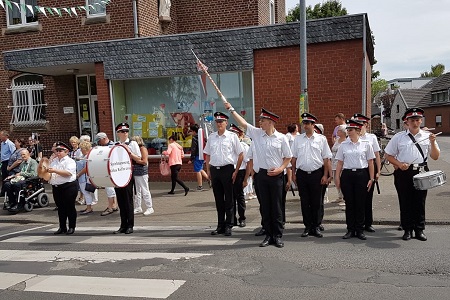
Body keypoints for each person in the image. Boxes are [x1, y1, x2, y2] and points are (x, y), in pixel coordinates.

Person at [225, 103, 291, 248]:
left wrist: (281, 169)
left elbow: (288, 157)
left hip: (276, 176)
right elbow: (243, 123)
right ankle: (268, 235)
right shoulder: (256, 134)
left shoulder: (281, 138)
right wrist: (231, 109)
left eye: (262, 120)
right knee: (265, 207)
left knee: (277, 207)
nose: (259, 122)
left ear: (270, 122)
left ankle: (277, 236)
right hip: (262, 175)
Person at [384, 107, 440, 241]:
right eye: (412, 120)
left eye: (417, 120)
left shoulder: (428, 136)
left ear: (421, 121)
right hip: (404, 172)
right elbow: (388, 155)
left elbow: (435, 156)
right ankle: (407, 229)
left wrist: (432, 142)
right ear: (406, 121)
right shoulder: (399, 137)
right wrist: (398, 164)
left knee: (420, 201)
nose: (415, 122)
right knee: (405, 201)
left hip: (421, 171)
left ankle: (419, 229)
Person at [291, 113, 332, 238]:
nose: (305, 126)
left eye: (308, 123)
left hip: (317, 174)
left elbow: (326, 159)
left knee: (317, 202)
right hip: (302, 174)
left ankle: (316, 226)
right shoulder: (298, 139)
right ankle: (307, 226)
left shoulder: (321, 139)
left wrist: (326, 175)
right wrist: (293, 174)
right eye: (304, 123)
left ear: (314, 125)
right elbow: (293, 158)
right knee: (305, 201)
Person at [203, 112, 244, 237]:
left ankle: (229, 225)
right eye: (217, 122)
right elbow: (208, 154)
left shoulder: (232, 136)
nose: (219, 124)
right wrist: (208, 170)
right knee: (218, 199)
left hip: (228, 169)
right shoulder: (212, 137)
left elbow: (241, 154)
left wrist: (236, 171)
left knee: (229, 199)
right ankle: (220, 225)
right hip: (215, 170)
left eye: (221, 122)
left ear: (226, 123)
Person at [335, 119, 375, 240]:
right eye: (348, 129)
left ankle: (360, 229)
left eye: (351, 130)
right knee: (350, 203)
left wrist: (371, 178)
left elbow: (370, 162)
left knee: (360, 203)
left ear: (358, 131)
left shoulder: (366, 144)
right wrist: (337, 177)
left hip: (361, 174)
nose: (348, 132)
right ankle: (350, 229)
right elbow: (340, 163)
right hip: (347, 175)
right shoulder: (343, 145)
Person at [352, 113, 381, 233]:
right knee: (355, 199)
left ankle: (368, 223)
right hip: (356, 169)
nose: (360, 126)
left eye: (361, 124)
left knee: (368, 198)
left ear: (366, 125)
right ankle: (356, 223)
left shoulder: (371, 137)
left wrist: (378, 171)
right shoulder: (352, 136)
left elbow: (377, 155)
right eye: (357, 123)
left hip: (369, 168)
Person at [113, 123, 141, 234]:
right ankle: (123, 225)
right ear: (118, 133)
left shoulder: (132, 143)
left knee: (128, 201)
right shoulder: (115, 145)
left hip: (128, 174)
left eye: (126, 131)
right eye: (122, 131)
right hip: (117, 175)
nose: (125, 133)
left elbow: (139, 158)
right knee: (120, 201)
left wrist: (128, 151)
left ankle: (130, 225)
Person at [46, 141, 78, 235]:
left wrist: (55, 170)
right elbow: (49, 172)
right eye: (57, 150)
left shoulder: (70, 161)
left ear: (66, 151)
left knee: (70, 207)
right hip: (57, 187)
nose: (58, 152)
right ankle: (62, 227)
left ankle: (71, 227)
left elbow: (68, 173)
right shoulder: (54, 161)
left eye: (61, 150)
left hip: (68, 186)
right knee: (60, 208)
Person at [94, 132, 119, 216]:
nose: (99, 143)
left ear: (104, 138)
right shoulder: (101, 147)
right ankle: (114, 205)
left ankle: (110, 207)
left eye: (99, 140)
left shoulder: (114, 146)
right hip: (105, 169)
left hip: (112, 170)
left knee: (109, 189)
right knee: (110, 188)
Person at [229, 123, 249, 228]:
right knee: (230, 197)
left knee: (239, 196)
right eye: (231, 133)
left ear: (238, 135)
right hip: (228, 171)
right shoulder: (227, 145)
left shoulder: (243, 146)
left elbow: (248, 163)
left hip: (240, 172)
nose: (232, 135)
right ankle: (232, 219)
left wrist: (246, 179)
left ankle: (242, 218)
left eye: (234, 133)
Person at [131, 135, 154, 216]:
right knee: (137, 190)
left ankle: (149, 207)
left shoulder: (142, 149)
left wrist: (135, 160)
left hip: (142, 171)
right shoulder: (135, 150)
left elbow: (144, 161)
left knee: (145, 189)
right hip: (135, 171)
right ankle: (138, 207)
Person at [187, 124, 210, 191]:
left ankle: (200, 186)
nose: (190, 133)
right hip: (202, 155)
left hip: (197, 156)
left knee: (198, 171)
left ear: (194, 131)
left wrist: (191, 159)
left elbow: (193, 149)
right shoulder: (202, 138)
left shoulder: (194, 138)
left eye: (191, 131)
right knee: (200, 169)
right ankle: (209, 179)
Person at [76, 141, 95, 215]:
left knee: (86, 193)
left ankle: (89, 208)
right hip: (83, 177)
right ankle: (88, 207)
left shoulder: (87, 157)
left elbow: (86, 168)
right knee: (86, 193)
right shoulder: (85, 156)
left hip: (84, 178)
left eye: (82, 149)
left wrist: (78, 174)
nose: (80, 150)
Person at [331, 124, 347, 204]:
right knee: (335, 180)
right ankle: (340, 195)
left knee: (341, 180)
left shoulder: (346, 142)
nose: (338, 132)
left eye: (339, 130)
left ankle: (345, 197)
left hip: (341, 164)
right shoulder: (337, 140)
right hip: (334, 163)